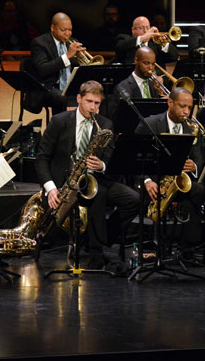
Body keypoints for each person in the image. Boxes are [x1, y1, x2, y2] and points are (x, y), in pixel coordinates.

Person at [35, 81, 140, 269]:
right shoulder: (59, 121)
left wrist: (102, 165)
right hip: (64, 183)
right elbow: (41, 158)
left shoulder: (105, 124)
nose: (93, 107)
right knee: (98, 197)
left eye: (97, 103)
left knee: (133, 199)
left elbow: (110, 159)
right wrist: (50, 189)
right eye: (89, 101)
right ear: (79, 99)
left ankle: (102, 237)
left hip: (94, 179)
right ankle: (95, 252)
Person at [135, 87, 205, 261]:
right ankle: (187, 247)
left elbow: (199, 160)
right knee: (195, 191)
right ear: (170, 102)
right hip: (157, 184)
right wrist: (146, 181)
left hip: (187, 183)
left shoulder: (192, 128)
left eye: (189, 108)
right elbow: (135, 158)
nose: (186, 111)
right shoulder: (150, 124)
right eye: (182, 106)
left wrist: (194, 166)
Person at [28, 12, 87, 114]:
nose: (67, 34)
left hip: (71, 86)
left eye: (70, 30)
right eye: (63, 30)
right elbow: (43, 69)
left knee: (94, 93)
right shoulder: (39, 43)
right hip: (48, 87)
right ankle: (60, 127)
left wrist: (81, 60)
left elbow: (80, 70)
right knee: (61, 97)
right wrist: (67, 56)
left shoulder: (73, 42)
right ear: (52, 28)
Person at [107, 47, 164, 122]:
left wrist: (161, 94)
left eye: (153, 64)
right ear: (136, 60)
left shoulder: (155, 84)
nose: (151, 68)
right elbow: (119, 117)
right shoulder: (122, 87)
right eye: (146, 63)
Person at [115, 16, 179, 67]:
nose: (145, 31)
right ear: (133, 30)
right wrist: (143, 38)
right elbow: (119, 47)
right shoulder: (125, 39)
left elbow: (174, 57)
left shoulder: (155, 44)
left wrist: (165, 44)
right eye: (141, 28)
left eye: (147, 28)